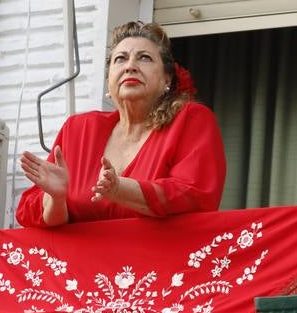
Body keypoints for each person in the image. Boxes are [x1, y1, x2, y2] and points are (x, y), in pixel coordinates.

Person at [16, 22, 226, 227]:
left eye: (144, 58)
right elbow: (28, 213)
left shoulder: (190, 119)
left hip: (156, 260)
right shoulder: (79, 130)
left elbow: (196, 195)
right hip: (81, 262)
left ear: (167, 79)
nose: (130, 66)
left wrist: (120, 190)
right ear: (109, 81)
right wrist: (56, 198)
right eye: (120, 59)